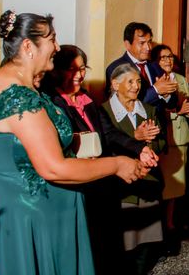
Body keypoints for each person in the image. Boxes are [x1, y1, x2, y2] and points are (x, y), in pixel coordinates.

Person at [0, 11, 145, 275]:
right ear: (27, 47)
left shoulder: (19, 82)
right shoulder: (19, 97)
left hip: (45, 210)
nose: (57, 47)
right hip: (37, 216)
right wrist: (116, 164)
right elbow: (53, 168)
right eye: (51, 40)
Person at [42, 45, 159, 274]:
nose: (79, 74)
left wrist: (139, 149)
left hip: (101, 181)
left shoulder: (86, 98)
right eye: (72, 69)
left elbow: (109, 133)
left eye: (83, 68)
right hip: (76, 185)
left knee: (105, 243)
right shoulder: (52, 104)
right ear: (56, 70)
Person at [102, 63, 167, 275]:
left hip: (148, 182)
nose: (136, 86)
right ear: (115, 84)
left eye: (138, 81)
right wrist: (135, 139)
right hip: (123, 187)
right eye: (130, 81)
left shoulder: (148, 110)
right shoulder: (103, 112)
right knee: (125, 242)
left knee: (147, 241)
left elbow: (163, 143)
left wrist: (151, 142)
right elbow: (105, 148)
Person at [151, 44, 189, 252]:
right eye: (162, 58)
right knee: (162, 185)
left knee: (177, 185)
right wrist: (178, 110)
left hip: (180, 136)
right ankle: (160, 226)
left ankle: (170, 224)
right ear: (155, 62)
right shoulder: (153, 81)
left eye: (170, 57)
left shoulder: (180, 79)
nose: (167, 61)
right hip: (162, 136)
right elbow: (153, 109)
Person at [105, 22, 177, 107]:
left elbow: (172, 104)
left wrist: (166, 95)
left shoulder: (155, 65)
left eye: (149, 42)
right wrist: (156, 90)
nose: (148, 48)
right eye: (142, 43)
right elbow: (126, 103)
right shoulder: (116, 68)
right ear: (127, 44)